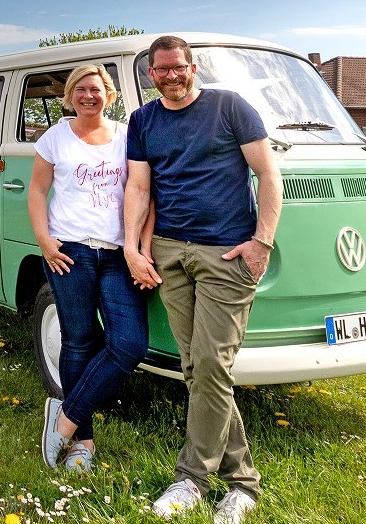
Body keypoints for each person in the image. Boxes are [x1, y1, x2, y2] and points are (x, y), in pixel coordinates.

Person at [122, 35, 281, 524]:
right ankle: (243, 484)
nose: (170, 76)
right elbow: (139, 185)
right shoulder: (143, 120)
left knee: (212, 363)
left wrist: (262, 242)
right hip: (170, 253)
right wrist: (133, 246)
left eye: (177, 67)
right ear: (151, 74)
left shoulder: (230, 107)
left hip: (226, 255)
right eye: (160, 70)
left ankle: (192, 478)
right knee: (197, 368)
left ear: (193, 67)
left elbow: (269, 176)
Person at [27, 64, 148, 473]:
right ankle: (84, 443)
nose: (88, 95)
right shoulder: (54, 137)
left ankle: (63, 419)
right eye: (80, 89)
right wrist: (45, 242)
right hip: (70, 252)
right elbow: (37, 191)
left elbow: (143, 190)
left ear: (109, 95)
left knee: (128, 344)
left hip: (116, 252)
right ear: (70, 96)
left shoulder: (127, 136)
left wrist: (138, 247)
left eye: (95, 89)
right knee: (78, 341)